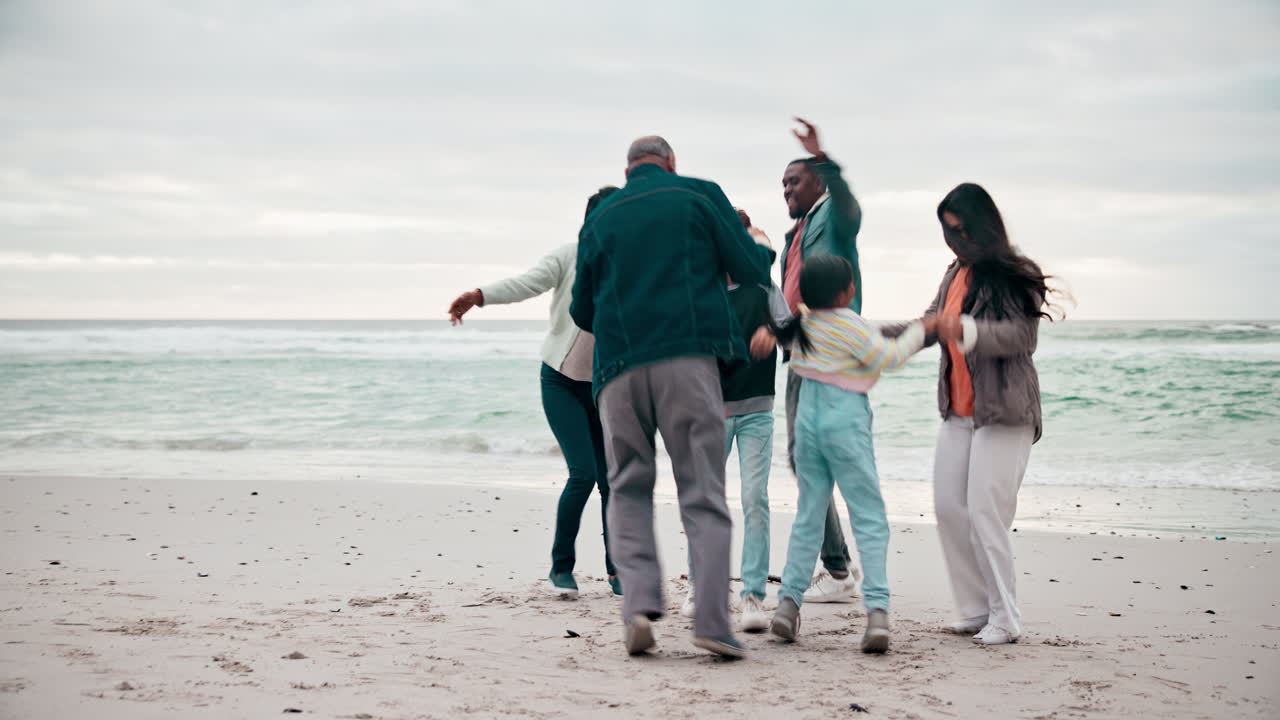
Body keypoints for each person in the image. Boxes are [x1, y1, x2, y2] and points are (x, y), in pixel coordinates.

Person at [571, 136, 772, 658]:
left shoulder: (602, 215)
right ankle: (710, 622)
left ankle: (638, 605)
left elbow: (580, 309)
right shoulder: (701, 196)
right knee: (702, 492)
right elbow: (752, 268)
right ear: (671, 163)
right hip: (687, 358)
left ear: (629, 168)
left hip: (617, 367)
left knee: (629, 487)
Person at [898, 183, 1062, 646]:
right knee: (950, 508)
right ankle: (973, 609)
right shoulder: (954, 273)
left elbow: (1020, 337)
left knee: (985, 512)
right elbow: (929, 323)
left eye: (957, 231)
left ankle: (1005, 618)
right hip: (958, 411)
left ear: (979, 227)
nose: (950, 240)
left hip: (1005, 411)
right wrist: (872, 340)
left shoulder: (1013, 272)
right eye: (945, 232)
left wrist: (965, 328)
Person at [754, 255, 935, 653]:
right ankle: (877, 614)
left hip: (807, 425)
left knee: (809, 516)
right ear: (845, 291)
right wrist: (924, 330)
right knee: (869, 517)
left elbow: (779, 334)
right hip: (845, 425)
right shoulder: (852, 325)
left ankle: (787, 605)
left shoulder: (802, 325)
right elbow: (887, 358)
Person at [447, 186, 621, 599]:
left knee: (612, 481)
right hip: (560, 380)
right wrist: (479, 295)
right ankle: (562, 569)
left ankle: (619, 572)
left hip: (604, 386)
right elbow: (527, 283)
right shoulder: (567, 256)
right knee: (583, 474)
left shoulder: (629, 264)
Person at [680, 208, 791, 633]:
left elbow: (790, 329)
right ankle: (701, 585)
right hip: (710, 412)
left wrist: (777, 336)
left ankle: (752, 596)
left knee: (754, 500)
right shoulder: (703, 292)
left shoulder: (765, 289)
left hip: (757, 413)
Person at [779, 118, 865, 603]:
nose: (787, 189)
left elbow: (850, 207)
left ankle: (838, 572)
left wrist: (823, 158)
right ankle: (838, 569)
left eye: (795, 180)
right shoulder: (797, 234)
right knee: (804, 457)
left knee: (814, 457)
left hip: (829, 350)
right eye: (784, 183)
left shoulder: (833, 217)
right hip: (799, 351)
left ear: (816, 183)